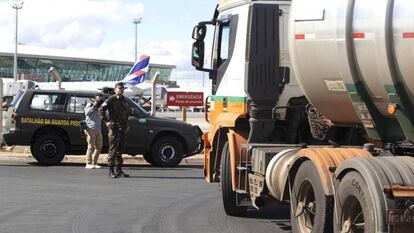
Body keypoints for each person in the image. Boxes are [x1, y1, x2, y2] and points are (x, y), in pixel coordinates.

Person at [99, 82, 131, 178]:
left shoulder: (124, 100)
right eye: (119, 88)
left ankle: (119, 170)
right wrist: (106, 121)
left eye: (122, 89)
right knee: (113, 149)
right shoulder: (111, 99)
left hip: (123, 128)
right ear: (115, 89)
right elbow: (101, 109)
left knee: (120, 149)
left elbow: (126, 113)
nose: (121, 90)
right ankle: (111, 170)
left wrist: (127, 124)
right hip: (114, 128)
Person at [84, 93, 104, 169]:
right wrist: (94, 106)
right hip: (90, 128)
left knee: (99, 146)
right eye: (98, 98)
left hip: (98, 128)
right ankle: (88, 163)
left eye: (101, 98)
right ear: (95, 98)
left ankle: (94, 163)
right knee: (90, 146)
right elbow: (86, 113)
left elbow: (106, 115)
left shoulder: (101, 106)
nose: (99, 100)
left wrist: (103, 108)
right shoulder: (90, 104)